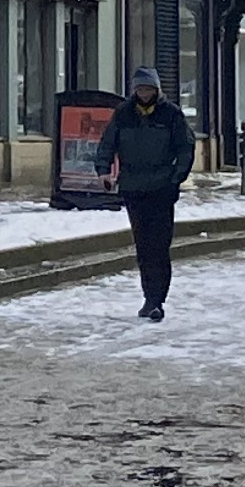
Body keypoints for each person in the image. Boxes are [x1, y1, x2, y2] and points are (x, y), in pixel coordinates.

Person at [100, 63, 197, 320]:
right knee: (143, 246)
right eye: (140, 88)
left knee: (159, 246)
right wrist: (103, 171)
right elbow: (108, 143)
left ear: (156, 89)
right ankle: (149, 297)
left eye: (148, 88)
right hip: (133, 187)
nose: (144, 93)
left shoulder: (171, 115)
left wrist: (175, 179)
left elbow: (185, 148)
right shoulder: (124, 113)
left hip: (161, 188)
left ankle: (157, 299)